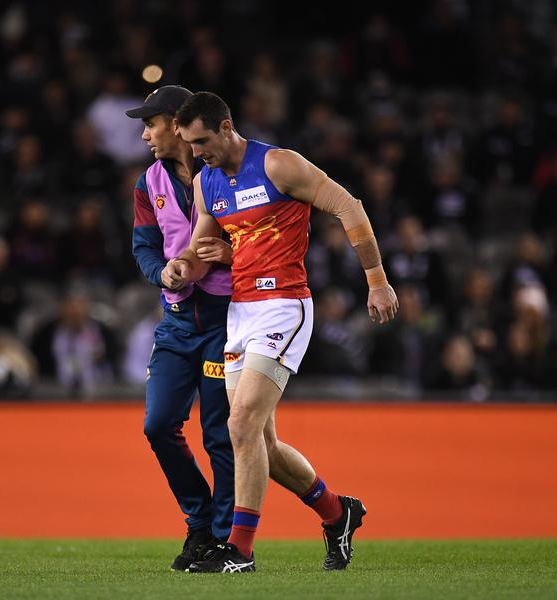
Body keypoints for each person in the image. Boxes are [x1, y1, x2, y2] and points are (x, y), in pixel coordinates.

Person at [170, 91, 399, 573]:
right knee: (263, 446)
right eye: (189, 144)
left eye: (202, 141)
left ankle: (239, 551)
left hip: (283, 306)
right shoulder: (207, 182)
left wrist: (377, 281)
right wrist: (181, 268)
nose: (196, 152)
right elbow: (200, 248)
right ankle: (337, 513)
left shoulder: (278, 164)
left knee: (240, 425)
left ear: (226, 127)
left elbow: (349, 206)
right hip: (241, 312)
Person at [125, 86, 235, 570]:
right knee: (158, 425)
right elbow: (144, 247)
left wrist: (231, 255)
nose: (145, 135)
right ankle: (201, 521)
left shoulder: (226, 173)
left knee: (220, 434)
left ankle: (222, 539)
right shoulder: (148, 183)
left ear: (175, 123)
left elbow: (260, 236)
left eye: (150, 124)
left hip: (224, 320)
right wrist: (161, 273)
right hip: (176, 322)